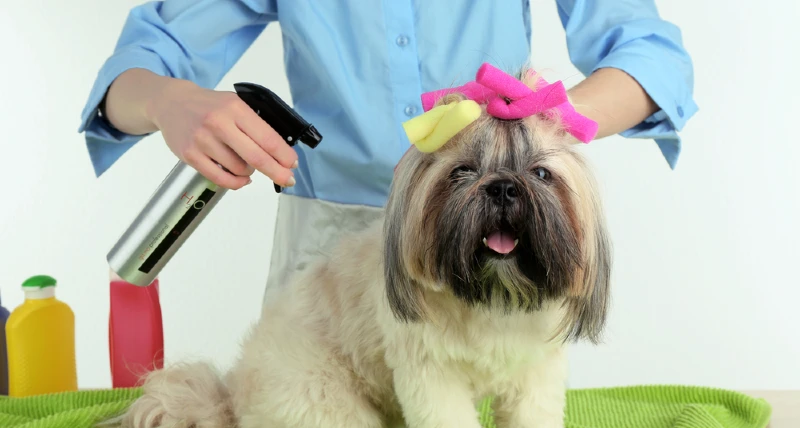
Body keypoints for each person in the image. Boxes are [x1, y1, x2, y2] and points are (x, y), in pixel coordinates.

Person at [79, 0, 697, 300]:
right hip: (330, 258)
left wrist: (539, 120)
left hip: (496, 238)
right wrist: (167, 101)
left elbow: (652, 56)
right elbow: (130, 74)